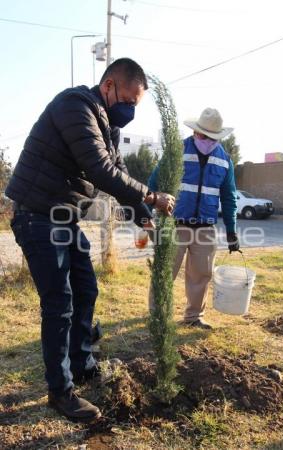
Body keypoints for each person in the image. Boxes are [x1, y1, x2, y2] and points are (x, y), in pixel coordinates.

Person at [5, 58, 175, 423]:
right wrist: (150, 195)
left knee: (86, 289)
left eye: (136, 104)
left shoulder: (107, 125)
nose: (130, 109)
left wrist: (140, 215)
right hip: (36, 214)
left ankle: (82, 363)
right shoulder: (74, 106)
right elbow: (100, 168)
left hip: (64, 216)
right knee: (59, 302)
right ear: (109, 85)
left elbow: (119, 172)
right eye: (129, 99)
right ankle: (61, 391)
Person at [148, 107, 239, 329]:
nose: (205, 139)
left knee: (201, 274)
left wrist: (231, 231)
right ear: (196, 131)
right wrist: (148, 213)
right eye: (202, 134)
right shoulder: (177, 151)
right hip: (174, 223)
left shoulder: (224, 160)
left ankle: (193, 317)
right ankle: (157, 314)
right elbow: (153, 182)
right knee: (165, 271)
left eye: (211, 137)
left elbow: (229, 198)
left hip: (206, 228)